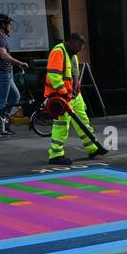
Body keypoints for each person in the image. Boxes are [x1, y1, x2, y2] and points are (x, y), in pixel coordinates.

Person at [44, 32, 106, 166]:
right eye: (80, 46)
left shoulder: (73, 55)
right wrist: (63, 93)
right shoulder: (58, 51)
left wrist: (77, 93)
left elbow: (74, 76)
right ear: (73, 42)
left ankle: (92, 148)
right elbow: (54, 75)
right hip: (61, 96)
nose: (81, 49)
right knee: (61, 126)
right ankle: (55, 154)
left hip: (73, 96)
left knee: (83, 122)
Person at [0, 14, 28, 137]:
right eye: (9, 24)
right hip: (3, 73)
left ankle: (3, 120)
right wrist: (19, 63)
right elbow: (4, 55)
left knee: (15, 96)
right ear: (3, 25)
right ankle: (0, 129)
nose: (10, 26)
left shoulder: (2, 37)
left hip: (7, 73)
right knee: (2, 101)